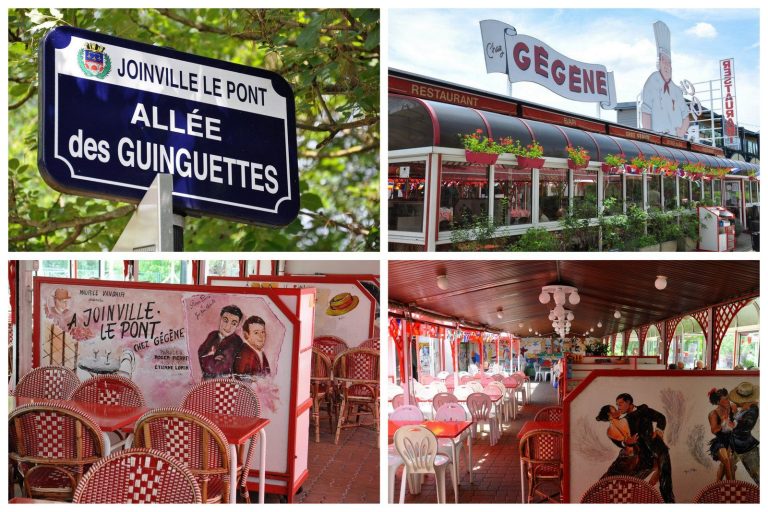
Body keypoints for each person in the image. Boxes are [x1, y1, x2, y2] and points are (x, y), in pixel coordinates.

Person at [616, 392, 675, 502]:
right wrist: (626, 442)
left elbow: (661, 418)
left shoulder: (643, 410)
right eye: (617, 405)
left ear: (628, 402)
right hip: (643, 455)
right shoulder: (624, 420)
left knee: (665, 483)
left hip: (658, 449)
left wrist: (659, 431)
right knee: (632, 483)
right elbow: (617, 438)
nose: (618, 407)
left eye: (620, 404)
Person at [640, 21, 690, 138]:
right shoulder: (652, 82)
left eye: (669, 62)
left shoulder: (677, 90)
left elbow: (686, 115)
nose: (667, 65)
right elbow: (646, 111)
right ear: (659, 64)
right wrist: (649, 137)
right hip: (658, 139)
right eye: (664, 61)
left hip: (676, 140)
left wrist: (682, 131)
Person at [198, 305, 244, 379]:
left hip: (225, 384)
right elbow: (200, 353)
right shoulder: (212, 335)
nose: (228, 327)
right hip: (207, 382)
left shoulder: (237, 342)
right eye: (225, 321)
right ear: (220, 319)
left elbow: (220, 369)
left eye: (233, 323)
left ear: (237, 325)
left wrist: (209, 357)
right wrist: (212, 359)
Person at [729, 382, 759, 485]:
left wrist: (735, 413)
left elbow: (745, 425)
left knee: (757, 475)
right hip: (734, 445)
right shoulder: (745, 408)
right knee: (727, 471)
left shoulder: (753, 410)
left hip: (746, 447)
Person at [706, 387, 736, 481]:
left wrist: (734, 420)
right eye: (726, 399)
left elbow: (737, 422)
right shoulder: (713, 414)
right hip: (720, 442)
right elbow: (714, 430)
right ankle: (732, 487)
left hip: (732, 440)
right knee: (726, 460)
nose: (728, 400)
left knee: (728, 464)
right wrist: (722, 423)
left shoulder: (732, 408)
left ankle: (719, 485)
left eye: (728, 398)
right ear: (719, 402)